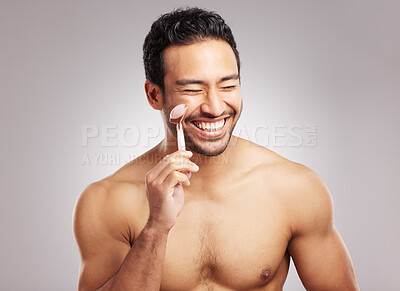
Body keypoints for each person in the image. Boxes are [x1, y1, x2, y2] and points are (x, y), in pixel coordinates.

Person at [73, 7, 359, 291]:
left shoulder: (295, 189)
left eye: (227, 85)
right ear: (154, 94)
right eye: (193, 89)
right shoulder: (106, 201)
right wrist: (156, 228)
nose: (215, 107)